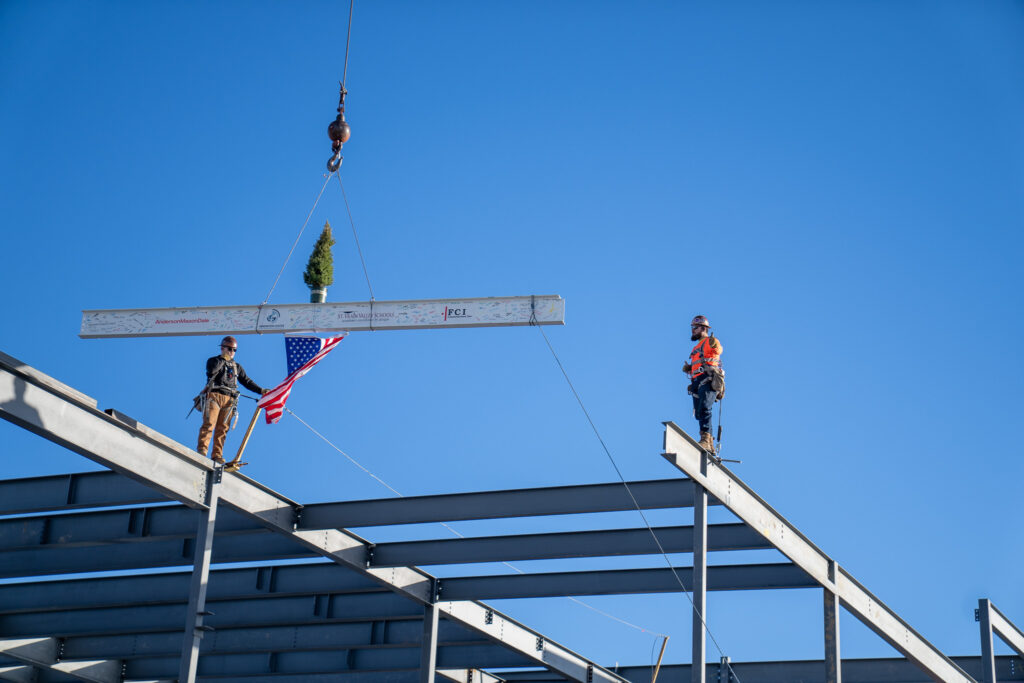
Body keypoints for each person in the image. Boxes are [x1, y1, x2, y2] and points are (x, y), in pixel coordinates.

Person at [197, 336, 268, 464]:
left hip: (230, 400)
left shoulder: (237, 367)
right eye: (229, 349)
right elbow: (211, 371)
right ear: (222, 348)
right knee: (209, 424)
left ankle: (217, 455)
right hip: (214, 396)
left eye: (234, 350)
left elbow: (246, 381)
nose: (231, 352)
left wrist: (261, 390)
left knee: (222, 429)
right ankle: (202, 450)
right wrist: (223, 359)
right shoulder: (213, 361)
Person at [682, 315, 723, 453]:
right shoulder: (696, 347)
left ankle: (706, 440)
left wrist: (714, 344)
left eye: (695, 327)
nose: (693, 330)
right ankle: (709, 443)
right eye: (692, 327)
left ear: (704, 328)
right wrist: (689, 369)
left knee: (705, 407)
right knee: (700, 413)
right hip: (697, 381)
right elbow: (700, 362)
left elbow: (717, 350)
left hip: (708, 378)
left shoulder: (709, 342)